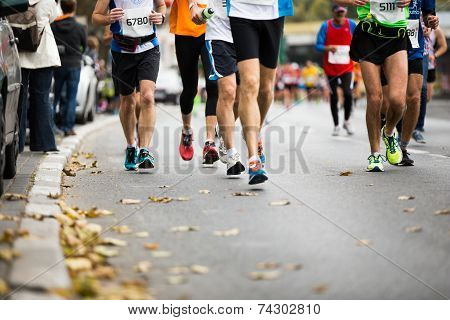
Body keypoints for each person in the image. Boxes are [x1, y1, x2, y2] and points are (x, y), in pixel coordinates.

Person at [336, 0, 410, 173]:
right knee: (375, 97)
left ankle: (389, 132)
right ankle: (375, 154)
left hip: (396, 36)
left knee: (398, 101)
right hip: (369, 35)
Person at [92, 0, 166, 170]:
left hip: (149, 47)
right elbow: (95, 17)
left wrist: (160, 16)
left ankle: (144, 149)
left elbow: (161, 6)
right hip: (122, 51)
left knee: (147, 96)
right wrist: (108, 18)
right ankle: (131, 145)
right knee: (128, 102)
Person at [227, 0, 294, 184]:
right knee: (249, 82)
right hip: (241, 10)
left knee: (265, 90)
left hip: (273, 12)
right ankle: (253, 160)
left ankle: (255, 131)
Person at [380, 0, 438, 165]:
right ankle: (389, 132)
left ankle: (402, 147)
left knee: (414, 97)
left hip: (414, 45)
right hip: (388, 43)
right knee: (391, 100)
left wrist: (431, 21)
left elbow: (428, 15)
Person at [169, 0, 219, 165]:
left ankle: (209, 142)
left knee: (213, 85)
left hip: (212, 29)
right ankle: (186, 130)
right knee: (190, 89)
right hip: (185, 30)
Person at [204, 0, 245, 175]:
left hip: (246, 33)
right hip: (219, 34)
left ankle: (222, 130)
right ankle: (231, 154)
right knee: (228, 91)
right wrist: (193, 7)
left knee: (242, 98)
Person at [18, 0, 61, 153]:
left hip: (20, 51)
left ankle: (19, 143)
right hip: (43, 52)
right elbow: (54, 16)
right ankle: (43, 143)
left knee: (19, 100)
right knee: (41, 98)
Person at [315, 5, 357, 136]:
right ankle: (336, 125)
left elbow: (358, 39)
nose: (340, 15)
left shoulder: (351, 24)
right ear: (333, 13)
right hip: (330, 67)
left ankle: (347, 121)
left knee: (348, 94)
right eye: (338, 12)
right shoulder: (325, 26)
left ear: (345, 12)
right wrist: (328, 48)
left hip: (347, 66)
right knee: (333, 96)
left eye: (342, 12)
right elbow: (317, 45)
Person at [51, 0, 87, 137]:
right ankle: (68, 127)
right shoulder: (79, 27)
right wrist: (78, 55)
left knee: (55, 96)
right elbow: (84, 46)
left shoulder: (54, 25)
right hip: (74, 65)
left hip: (58, 64)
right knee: (71, 97)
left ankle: (53, 125)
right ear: (74, 8)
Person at [413, 25, 447, 143]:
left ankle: (418, 124)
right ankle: (413, 124)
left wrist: (434, 55)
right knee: (415, 93)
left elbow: (444, 46)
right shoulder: (415, 23)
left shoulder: (436, 30)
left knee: (425, 96)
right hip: (416, 57)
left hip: (429, 65)